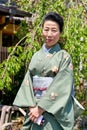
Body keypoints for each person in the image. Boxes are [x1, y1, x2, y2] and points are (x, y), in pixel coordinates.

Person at [13, 12, 74, 130]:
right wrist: (32, 107)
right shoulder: (36, 56)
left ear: (60, 33)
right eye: (46, 30)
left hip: (52, 110)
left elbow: (62, 86)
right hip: (33, 109)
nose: (49, 34)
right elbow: (28, 83)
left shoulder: (64, 57)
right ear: (42, 30)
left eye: (54, 30)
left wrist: (40, 108)